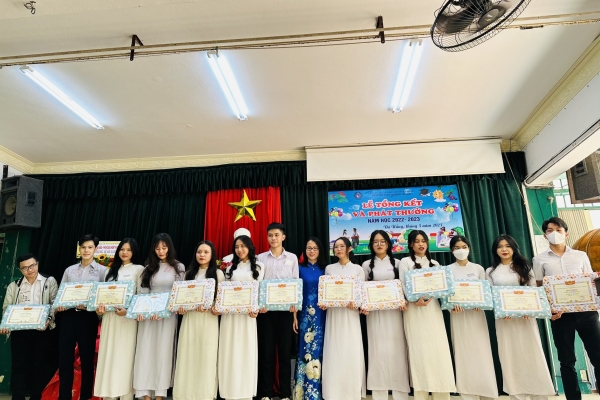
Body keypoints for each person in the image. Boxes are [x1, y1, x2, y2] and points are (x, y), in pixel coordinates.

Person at [533, 217, 600, 400]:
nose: (554, 233)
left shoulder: (580, 255)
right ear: (545, 235)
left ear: (566, 233)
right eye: (549, 230)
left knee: (598, 356)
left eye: (558, 230)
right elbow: (539, 288)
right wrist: (549, 309)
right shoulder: (539, 260)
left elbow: (589, 281)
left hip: (587, 313)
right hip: (560, 316)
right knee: (566, 360)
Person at [486, 234, 554, 400]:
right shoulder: (491, 271)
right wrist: (502, 310)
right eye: (500, 246)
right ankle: (516, 395)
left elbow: (533, 291)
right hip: (504, 322)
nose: (504, 249)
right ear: (495, 250)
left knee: (532, 354)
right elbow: (491, 296)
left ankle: (539, 395)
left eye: (507, 246)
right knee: (510, 356)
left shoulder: (525, 267)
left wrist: (527, 310)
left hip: (526, 319)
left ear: (514, 248)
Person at [398, 230, 455, 400]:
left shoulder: (435, 264)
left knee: (438, 350)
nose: (421, 244)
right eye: (417, 241)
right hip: (414, 311)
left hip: (432, 310)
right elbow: (402, 285)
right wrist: (414, 301)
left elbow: (443, 288)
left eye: (423, 241)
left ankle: (442, 394)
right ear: (411, 244)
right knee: (419, 352)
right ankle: (421, 394)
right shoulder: (405, 262)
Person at [133, 233, 184, 400]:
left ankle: (160, 393)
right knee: (145, 350)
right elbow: (142, 292)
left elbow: (180, 293)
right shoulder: (148, 268)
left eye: (164, 247)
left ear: (170, 248)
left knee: (164, 350)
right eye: (157, 248)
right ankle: (144, 392)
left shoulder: (179, 267)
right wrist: (144, 311)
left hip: (168, 316)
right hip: (148, 316)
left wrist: (166, 310)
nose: (161, 251)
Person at [57, 234, 108, 400]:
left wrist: (93, 306)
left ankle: (86, 396)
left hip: (88, 318)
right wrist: (60, 304)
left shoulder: (103, 271)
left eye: (90, 247)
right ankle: (64, 396)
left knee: (87, 360)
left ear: (95, 249)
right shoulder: (69, 270)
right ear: (79, 249)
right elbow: (61, 293)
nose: (86, 250)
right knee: (65, 359)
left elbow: (104, 296)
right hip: (68, 317)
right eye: (83, 247)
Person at [1, 253, 58, 400]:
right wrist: (6, 324)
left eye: (32, 265)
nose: (30, 270)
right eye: (25, 268)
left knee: (39, 365)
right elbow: (7, 308)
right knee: (18, 366)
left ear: (37, 264)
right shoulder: (14, 286)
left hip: (41, 330)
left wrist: (48, 319)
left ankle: (36, 397)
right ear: (20, 270)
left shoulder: (49, 281)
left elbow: (54, 304)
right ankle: (18, 397)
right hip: (19, 331)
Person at [447, 235, 498, 400]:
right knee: (463, 352)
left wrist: (480, 303)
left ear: (469, 248)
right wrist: (451, 307)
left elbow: (485, 292)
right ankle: (467, 393)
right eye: (456, 248)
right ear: (451, 251)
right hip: (458, 317)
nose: (460, 250)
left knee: (481, 352)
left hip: (477, 316)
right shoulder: (447, 270)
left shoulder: (478, 269)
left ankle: (486, 391)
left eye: (464, 247)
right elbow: (446, 295)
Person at [173, 240, 225, 400]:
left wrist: (213, 307)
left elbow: (221, 301)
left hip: (208, 321)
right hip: (190, 321)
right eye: (199, 252)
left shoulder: (218, 274)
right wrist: (181, 307)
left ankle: (204, 395)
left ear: (212, 255)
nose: (202, 255)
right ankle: (184, 394)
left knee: (206, 356)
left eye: (206, 252)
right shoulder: (188, 274)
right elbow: (180, 299)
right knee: (187, 355)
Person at [361, 230, 409, 400]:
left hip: (395, 314)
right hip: (374, 315)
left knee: (397, 350)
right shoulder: (366, 265)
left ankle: (400, 393)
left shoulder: (398, 263)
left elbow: (403, 286)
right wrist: (364, 305)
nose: (379, 244)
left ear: (388, 244)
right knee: (377, 351)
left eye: (382, 241)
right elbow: (362, 289)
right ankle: (378, 392)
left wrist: (404, 301)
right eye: (376, 242)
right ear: (371, 245)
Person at [94, 238, 144, 400]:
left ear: (134, 252)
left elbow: (141, 296)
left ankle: (124, 395)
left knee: (124, 357)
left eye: (128, 250)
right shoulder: (109, 271)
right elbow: (101, 296)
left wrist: (128, 311)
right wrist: (100, 310)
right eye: (122, 249)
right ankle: (108, 395)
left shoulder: (139, 269)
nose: (125, 252)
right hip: (109, 319)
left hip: (127, 320)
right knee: (108, 355)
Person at [216, 235, 264, 400]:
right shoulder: (229, 267)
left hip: (247, 317)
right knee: (229, 350)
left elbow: (259, 291)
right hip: (230, 317)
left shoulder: (259, 266)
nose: (240, 250)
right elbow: (224, 291)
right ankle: (229, 392)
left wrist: (256, 309)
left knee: (245, 351)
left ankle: (245, 392)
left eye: (243, 246)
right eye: (237, 247)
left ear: (250, 247)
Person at [256, 222, 299, 400]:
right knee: (266, 354)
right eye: (270, 235)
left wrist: (295, 315)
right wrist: (260, 304)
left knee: (284, 355)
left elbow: (296, 285)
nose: (273, 238)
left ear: (283, 237)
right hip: (265, 313)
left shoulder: (292, 258)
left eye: (276, 235)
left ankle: (285, 394)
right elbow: (258, 285)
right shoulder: (260, 258)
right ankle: (265, 394)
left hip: (286, 312)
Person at [319, 237, 366, 400]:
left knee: (351, 350)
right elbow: (325, 292)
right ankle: (332, 392)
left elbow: (362, 294)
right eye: (335, 246)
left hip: (350, 317)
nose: (338, 249)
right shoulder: (329, 269)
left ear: (349, 248)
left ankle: (351, 392)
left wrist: (356, 303)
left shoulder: (358, 269)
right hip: (334, 316)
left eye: (341, 246)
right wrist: (324, 302)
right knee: (334, 350)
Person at [293, 237, 327, 400]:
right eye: (308, 248)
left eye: (314, 248)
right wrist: (294, 317)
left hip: (322, 316)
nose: (311, 251)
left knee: (319, 350)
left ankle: (318, 392)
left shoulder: (326, 269)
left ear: (320, 251)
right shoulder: (299, 269)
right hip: (304, 316)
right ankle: (301, 393)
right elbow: (295, 294)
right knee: (304, 350)